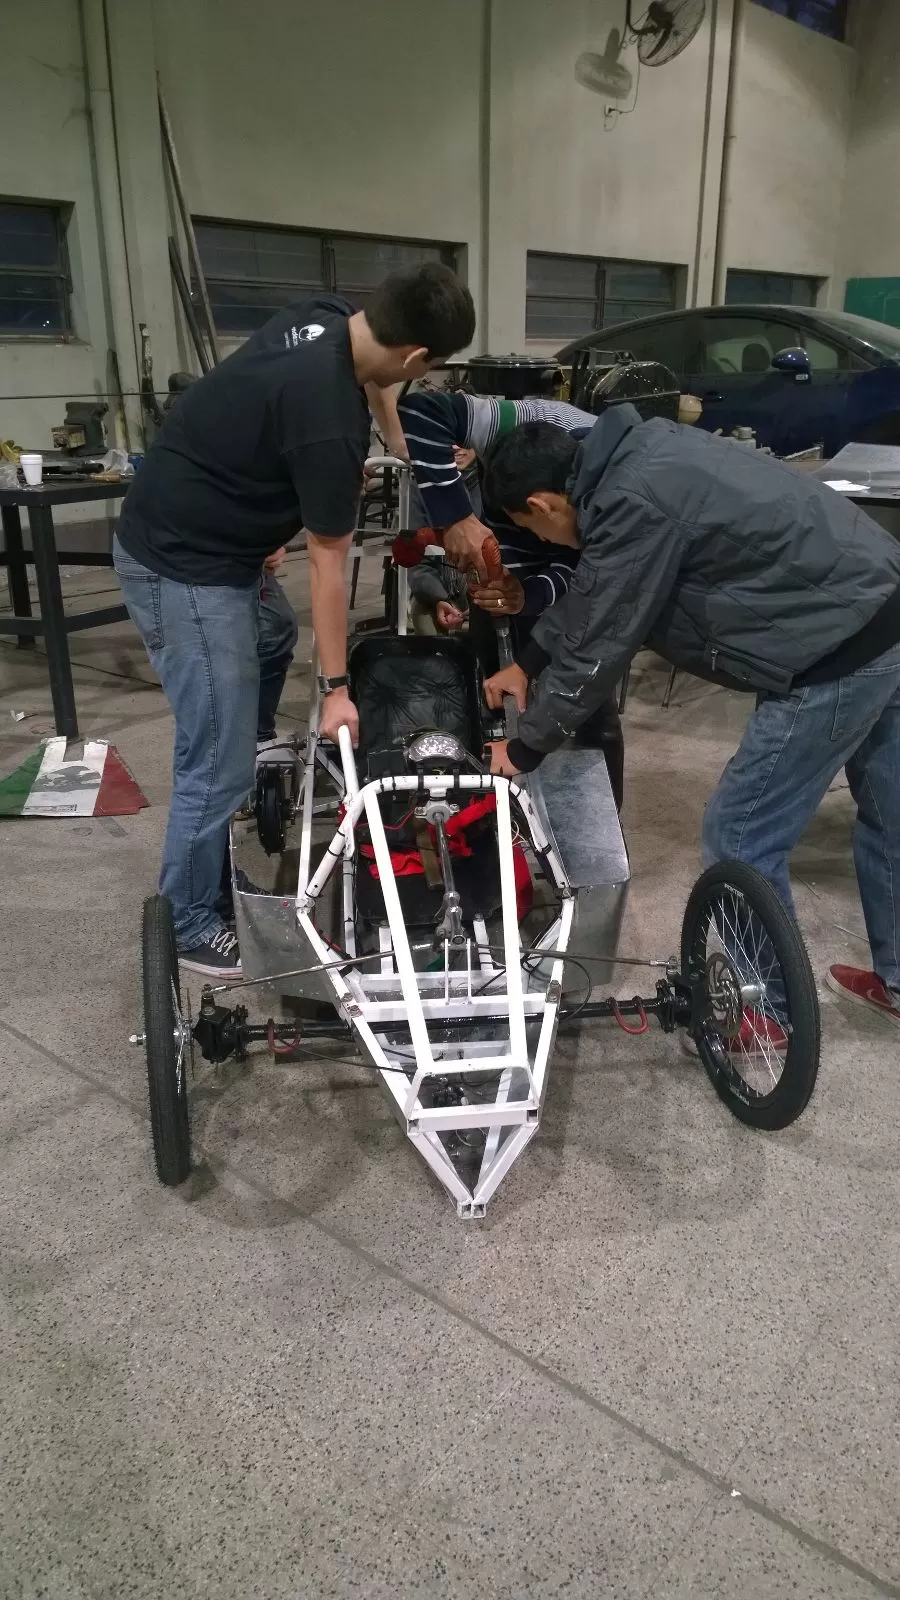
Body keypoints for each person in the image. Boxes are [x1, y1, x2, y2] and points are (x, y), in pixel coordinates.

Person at [480, 410, 900, 1027]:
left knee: (739, 835)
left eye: (532, 529)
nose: (544, 543)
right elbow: (600, 595)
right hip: (884, 610)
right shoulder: (643, 450)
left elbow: (605, 639)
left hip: (833, 652)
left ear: (542, 504)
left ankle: (770, 1010)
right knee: (891, 818)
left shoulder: (631, 500)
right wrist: (529, 660)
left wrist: (521, 752)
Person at [114, 263, 475, 976]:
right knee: (209, 764)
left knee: (271, 635)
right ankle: (188, 918)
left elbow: (378, 383)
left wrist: (400, 445)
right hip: (185, 563)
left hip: (204, 522)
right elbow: (328, 564)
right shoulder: (329, 426)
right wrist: (337, 689)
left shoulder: (331, 314)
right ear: (415, 358)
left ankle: (238, 747)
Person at [395, 385, 625, 807]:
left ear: (542, 507)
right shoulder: (498, 427)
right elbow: (419, 409)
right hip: (550, 538)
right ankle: (491, 811)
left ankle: (597, 820)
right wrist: (457, 519)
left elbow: (590, 575)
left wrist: (533, 595)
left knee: (589, 700)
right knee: (490, 690)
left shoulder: (614, 481)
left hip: (583, 554)